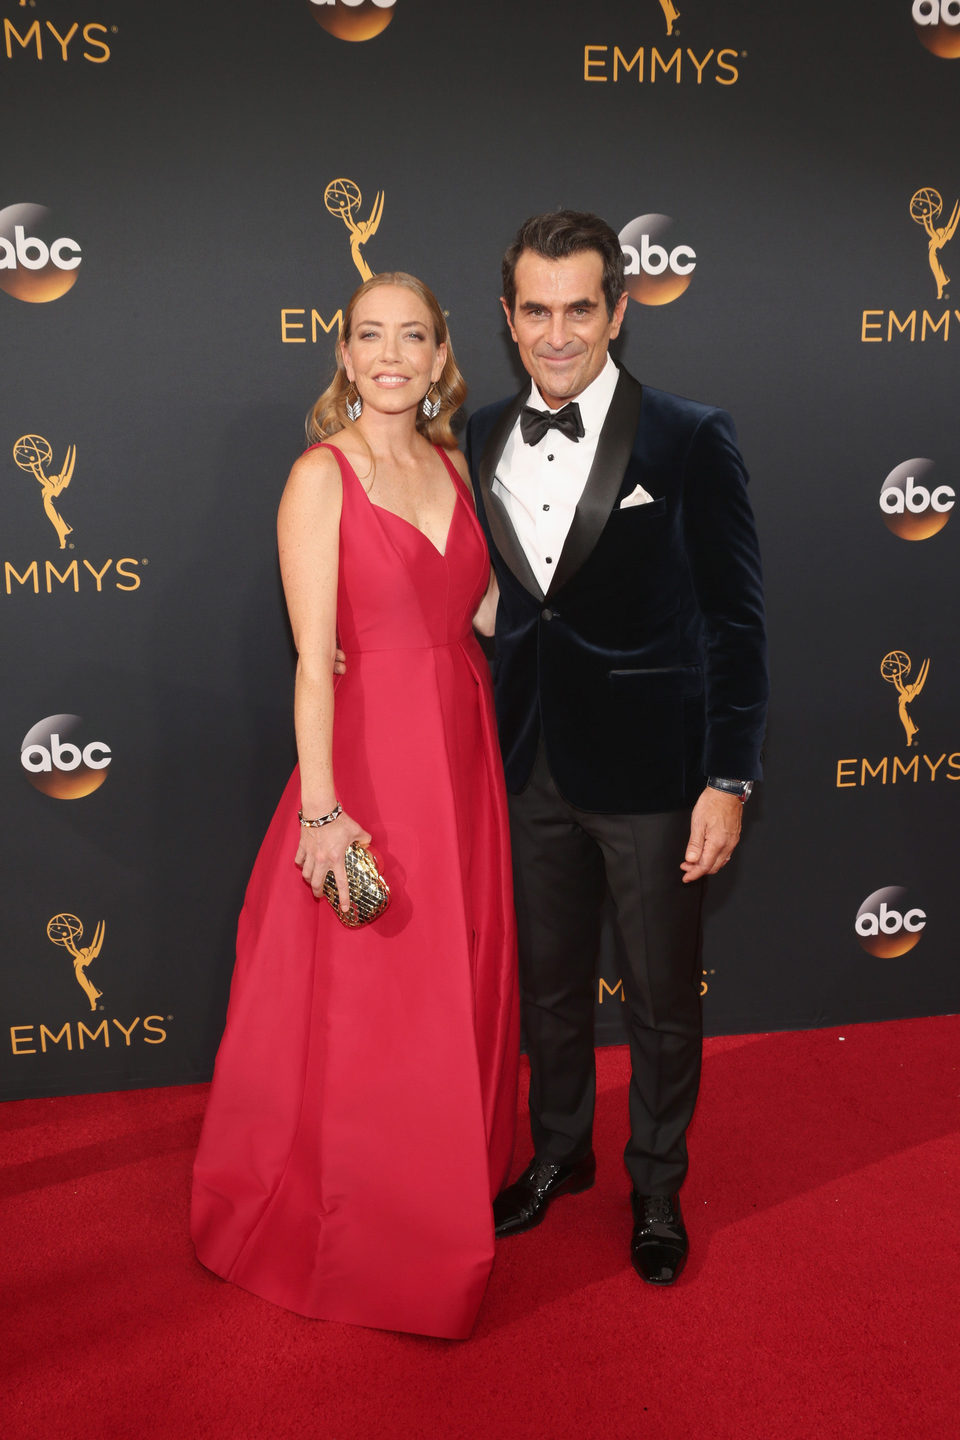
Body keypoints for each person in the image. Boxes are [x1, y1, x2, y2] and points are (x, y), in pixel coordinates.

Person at [191, 272, 520, 1339]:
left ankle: (455, 1176)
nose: (391, 354)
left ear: (439, 356)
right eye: (369, 335)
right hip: (369, 755)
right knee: (379, 998)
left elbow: (481, 607)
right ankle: (371, 1220)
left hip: (462, 748)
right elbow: (312, 661)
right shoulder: (317, 478)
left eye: (411, 336)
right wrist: (323, 813)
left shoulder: (458, 465)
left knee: (458, 969)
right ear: (342, 352)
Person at [465, 211, 768, 1285]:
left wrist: (727, 776)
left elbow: (736, 621)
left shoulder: (690, 435)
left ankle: (655, 1182)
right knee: (548, 988)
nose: (558, 333)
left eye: (579, 309)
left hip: (652, 771)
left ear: (619, 312)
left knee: (659, 996)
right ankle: (558, 1156)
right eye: (536, 311)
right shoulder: (477, 435)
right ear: (507, 319)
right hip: (528, 761)